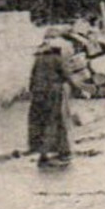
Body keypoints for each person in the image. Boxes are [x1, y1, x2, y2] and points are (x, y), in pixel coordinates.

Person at [27, 37, 76, 169]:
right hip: (52, 94)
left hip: (38, 95)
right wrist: (79, 89)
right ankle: (63, 152)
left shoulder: (38, 59)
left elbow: (32, 79)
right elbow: (66, 76)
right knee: (55, 121)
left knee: (39, 123)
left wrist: (32, 92)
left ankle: (43, 155)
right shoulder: (57, 59)